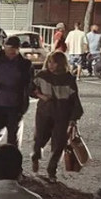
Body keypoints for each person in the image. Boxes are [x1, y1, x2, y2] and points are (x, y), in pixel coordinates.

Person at [31, 51, 84, 183]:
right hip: (44, 113)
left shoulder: (69, 79)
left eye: (54, 62)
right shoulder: (42, 75)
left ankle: (51, 171)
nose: (51, 65)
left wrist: (73, 119)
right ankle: (35, 156)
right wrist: (41, 96)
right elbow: (30, 89)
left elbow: (74, 101)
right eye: (49, 62)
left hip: (62, 115)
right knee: (39, 139)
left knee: (59, 144)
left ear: (61, 64)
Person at [0, 36, 33, 154]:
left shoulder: (25, 64)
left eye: (13, 51)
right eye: (9, 51)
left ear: (18, 49)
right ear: (4, 47)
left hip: (15, 104)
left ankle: (12, 159)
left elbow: (29, 83)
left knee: (13, 136)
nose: (11, 54)